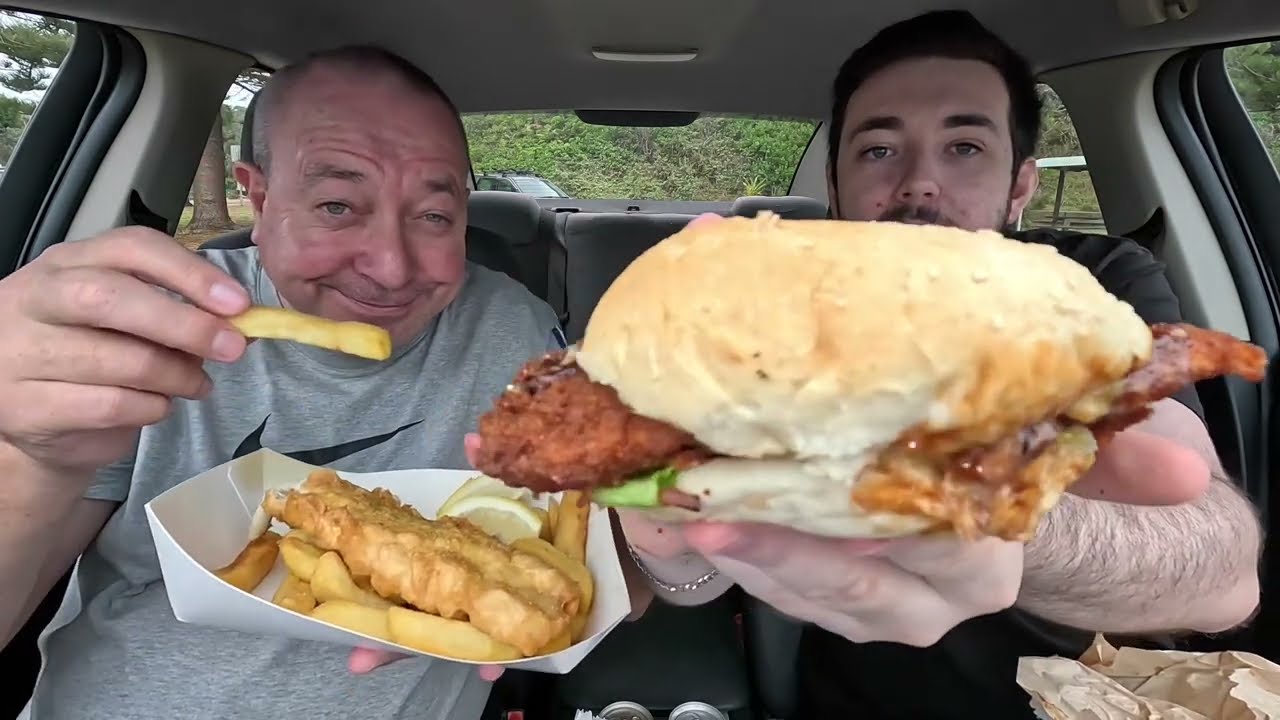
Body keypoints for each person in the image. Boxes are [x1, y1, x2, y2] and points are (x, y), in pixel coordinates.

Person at [609, 10, 1263, 719]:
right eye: (879, 152)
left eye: (964, 147)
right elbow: (696, 569)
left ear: (1020, 186)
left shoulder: (1092, 286)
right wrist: (669, 549)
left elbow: (1220, 571)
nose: (919, 185)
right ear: (835, 188)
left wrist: (979, 509)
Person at [0, 45, 565, 719]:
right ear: (259, 195)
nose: (390, 267)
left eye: (435, 216)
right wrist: (27, 456)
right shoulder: (151, 326)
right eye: (336, 205)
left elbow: (608, 555)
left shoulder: (517, 337)